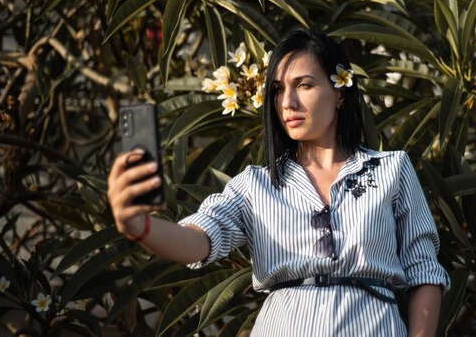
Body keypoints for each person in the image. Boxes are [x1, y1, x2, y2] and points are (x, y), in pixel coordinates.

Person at [107, 28, 450, 337]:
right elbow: (199, 240)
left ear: (340, 92)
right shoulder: (256, 184)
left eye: (304, 85)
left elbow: (424, 272)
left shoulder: (392, 169)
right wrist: (138, 226)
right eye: (277, 89)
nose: (287, 102)